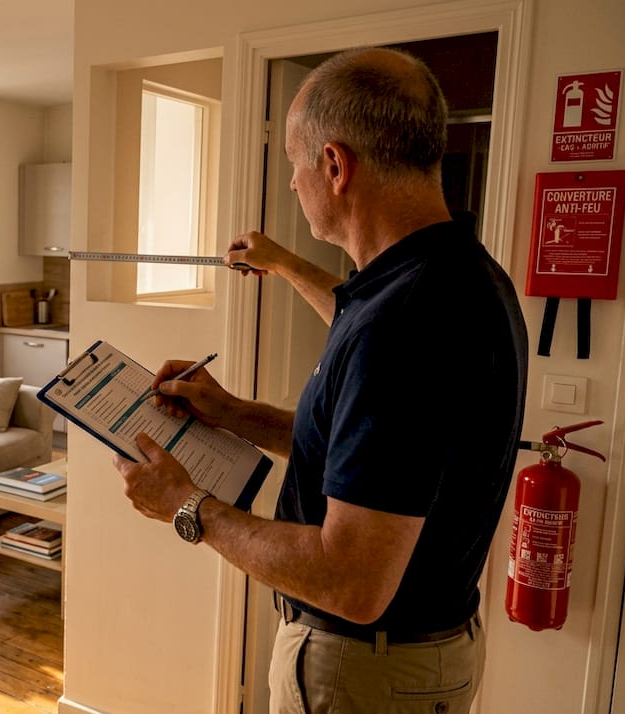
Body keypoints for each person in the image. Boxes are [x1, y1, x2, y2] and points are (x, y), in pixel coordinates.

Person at [113, 47, 528, 713]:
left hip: (362, 674)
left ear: (335, 166)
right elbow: (373, 446)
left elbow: (351, 581)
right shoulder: (461, 275)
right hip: (414, 658)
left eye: (293, 164)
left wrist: (187, 506)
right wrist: (230, 411)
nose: (291, 184)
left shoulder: (399, 325)